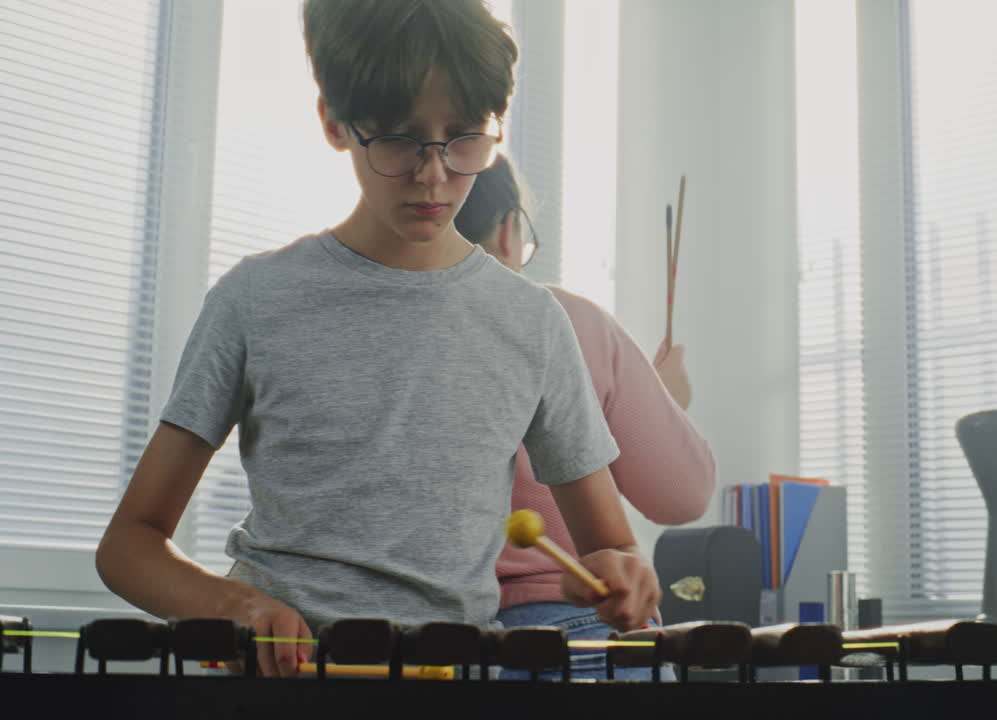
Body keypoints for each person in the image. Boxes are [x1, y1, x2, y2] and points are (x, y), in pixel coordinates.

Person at [94, 0, 659, 678]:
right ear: (335, 122)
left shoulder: (532, 322)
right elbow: (129, 544)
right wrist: (237, 608)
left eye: (464, 137)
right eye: (397, 138)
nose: (433, 174)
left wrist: (618, 577)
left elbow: (611, 548)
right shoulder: (255, 299)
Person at [454, 154, 716, 680]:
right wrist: (667, 404)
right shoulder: (567, 320)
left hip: (434, 645)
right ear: (509, 230)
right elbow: (682, 495)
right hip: (577, 635)